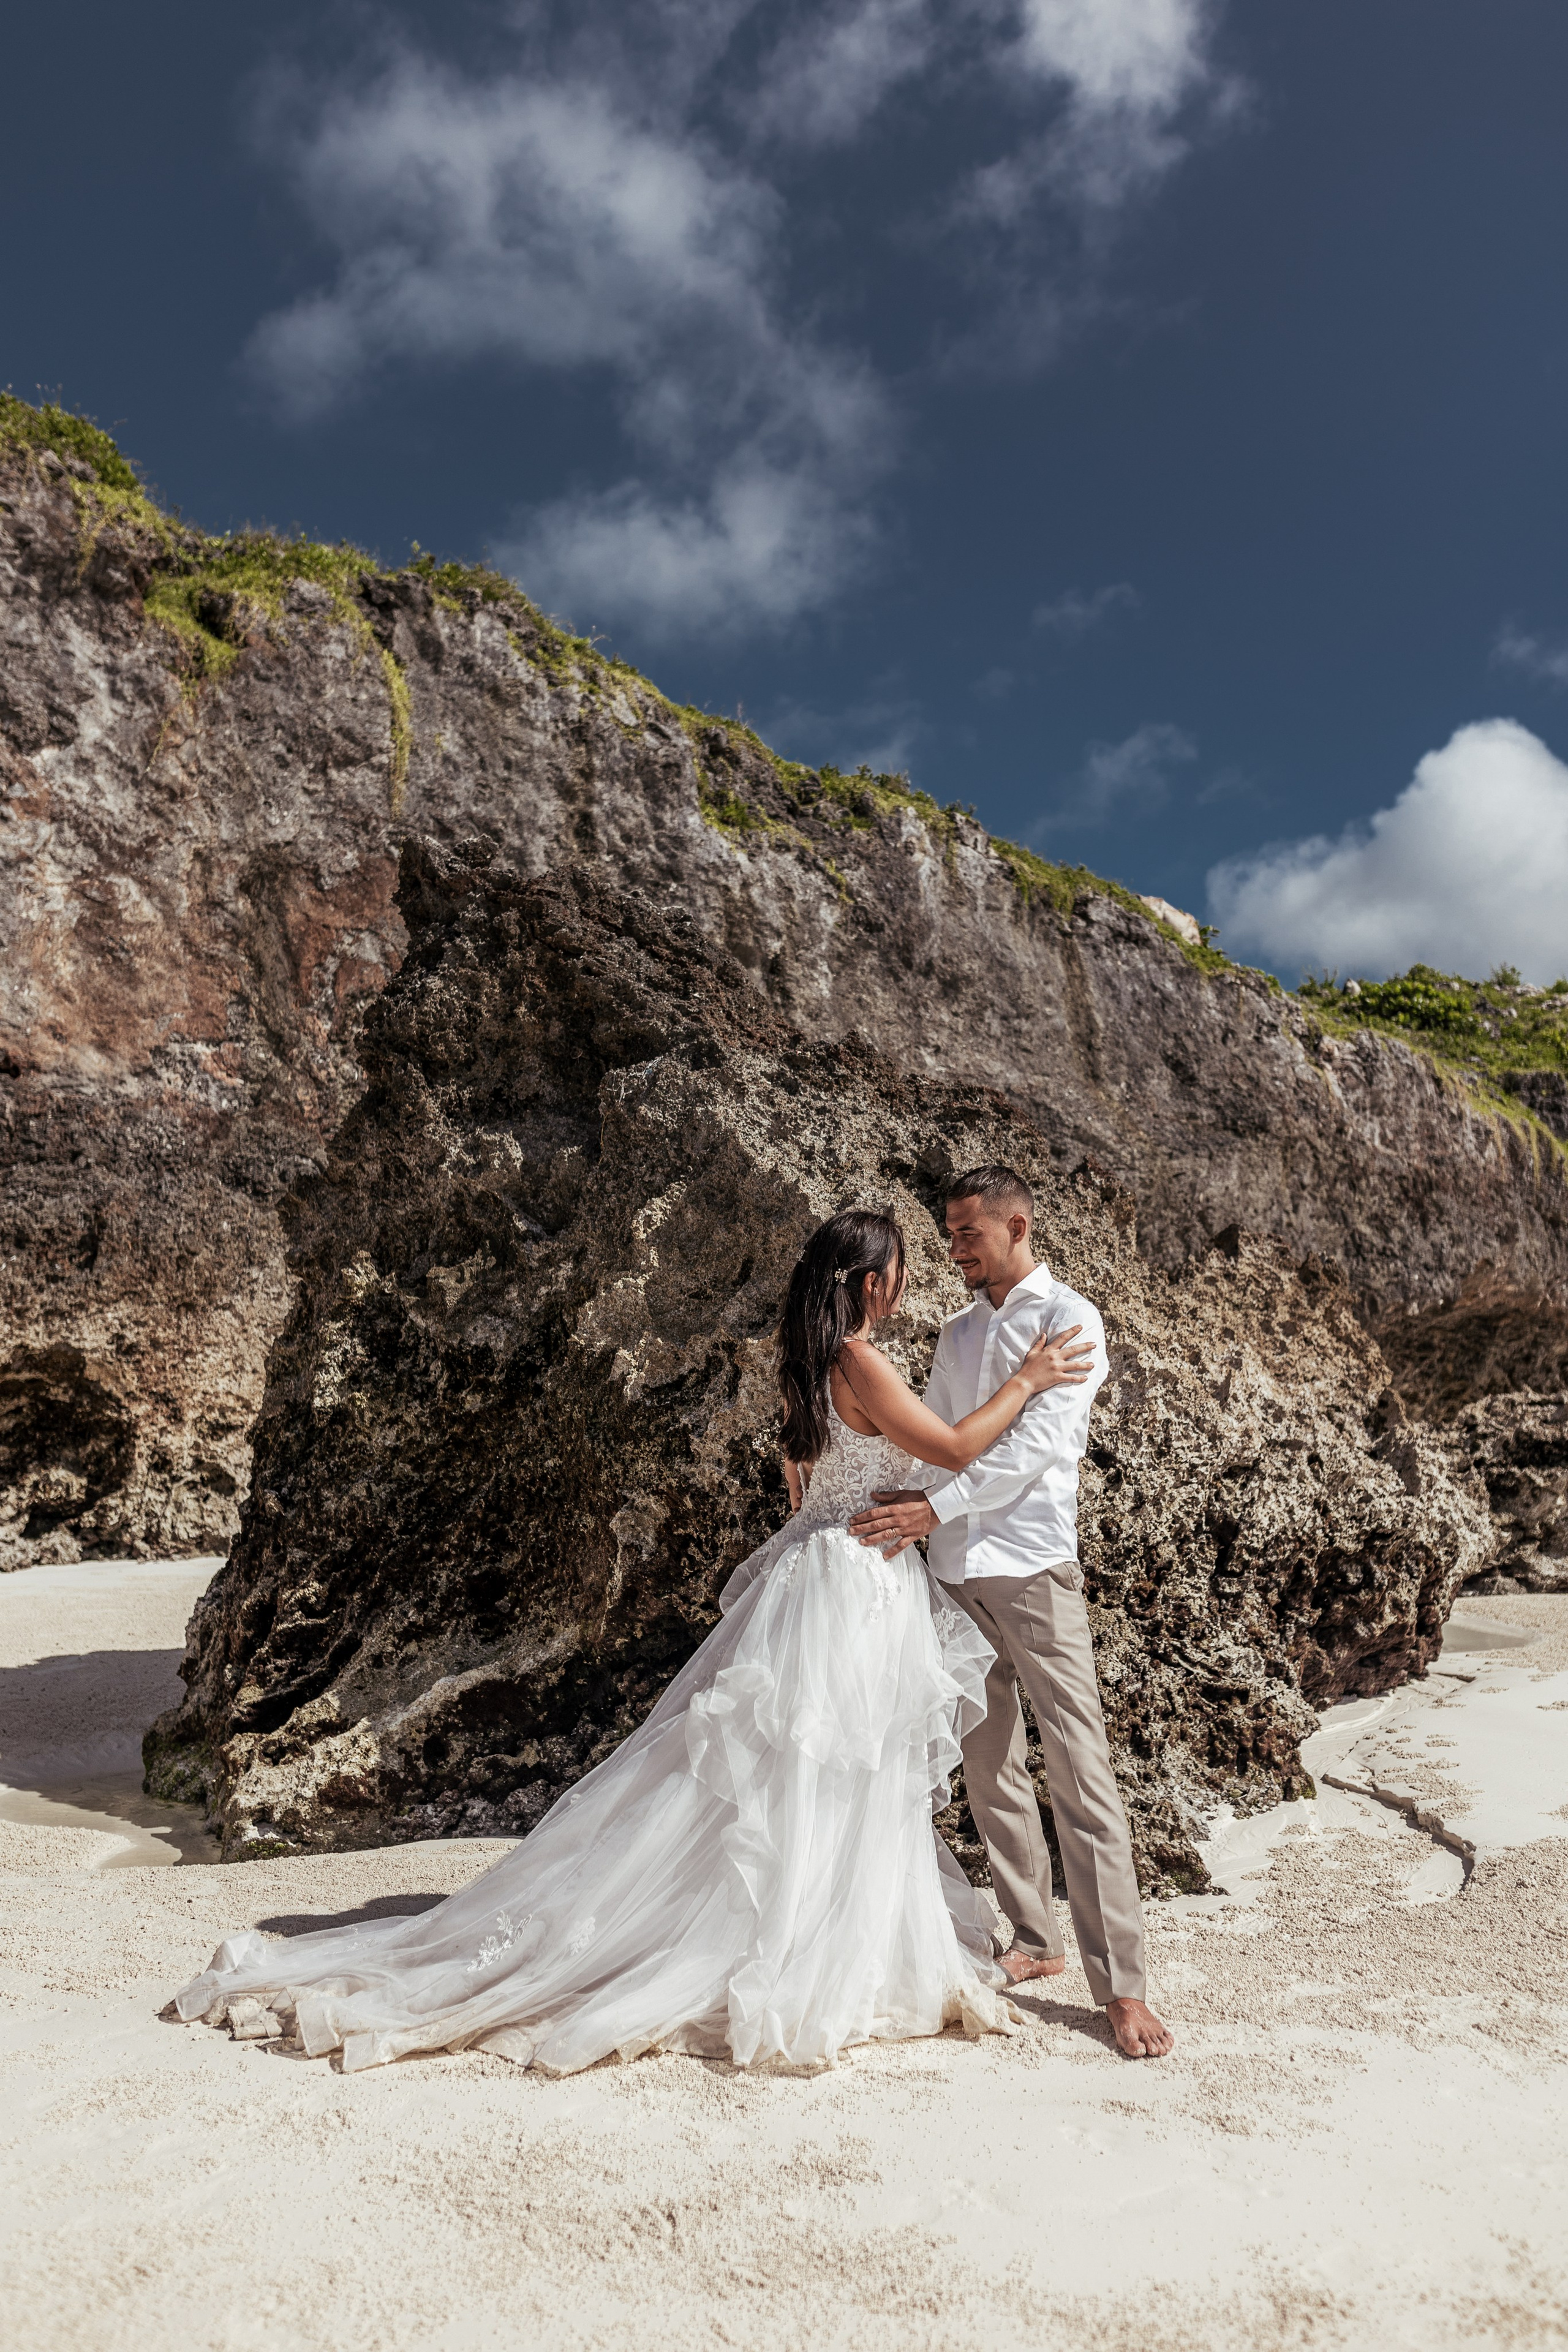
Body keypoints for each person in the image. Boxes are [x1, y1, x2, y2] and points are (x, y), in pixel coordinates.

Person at [172, 1208, 1091, 2076]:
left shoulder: (805, 1368)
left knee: (794, 1774)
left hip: (814, 1575)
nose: (904, 1286)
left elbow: (801, 1491)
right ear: (867, 1281)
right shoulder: (859, 1359)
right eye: (897, 1272)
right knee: (838, 1770)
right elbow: (954, 1450)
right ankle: (810, 1943)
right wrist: (1029, 1380)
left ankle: (795, 1926)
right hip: (857, 1584)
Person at [848, 1165, 1173, 2060]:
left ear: (1016, 1227)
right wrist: (876, 1496)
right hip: (954, 1572)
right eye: (949, 1234)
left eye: (968, 1233)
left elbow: (1036, 1450)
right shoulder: (958, 1332)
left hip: (1032, 1569)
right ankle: (1035, 1939)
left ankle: (1125, 1989)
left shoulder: (1072, 1320)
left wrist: (934, 1510)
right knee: (990, 1763)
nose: (954, 1248)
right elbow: (939, 1438)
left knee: (1081, 1771)